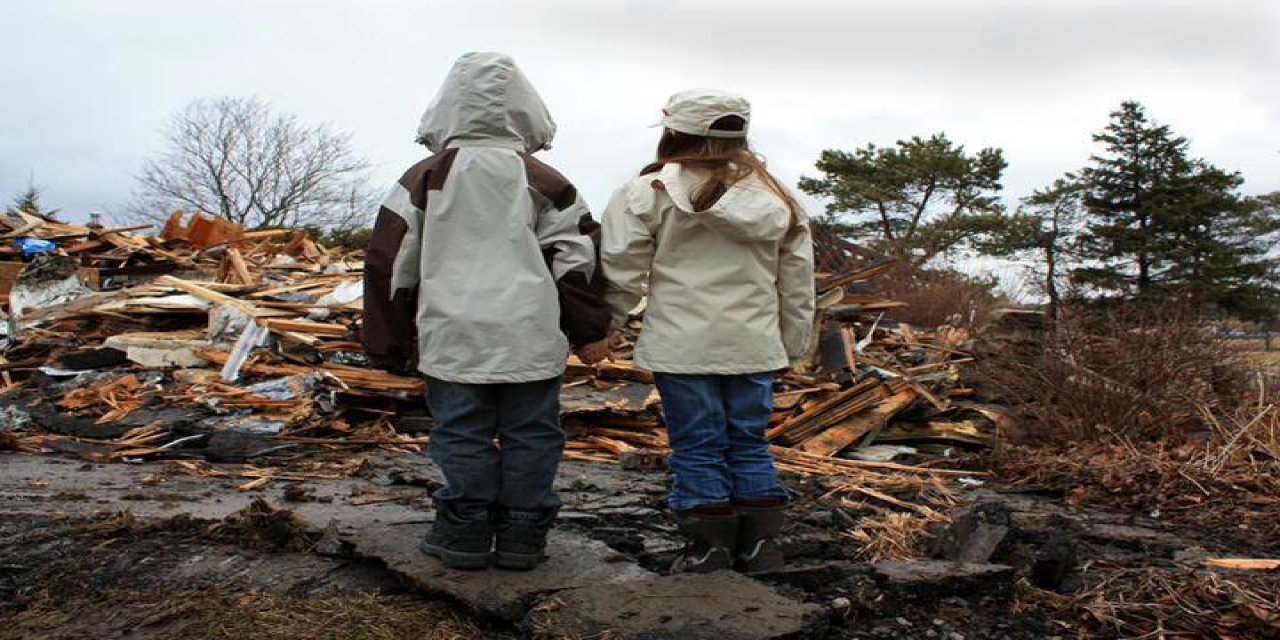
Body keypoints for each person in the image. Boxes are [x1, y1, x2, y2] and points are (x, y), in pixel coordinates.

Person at [363, 52, 611, 571]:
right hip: (529, 333)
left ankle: (464, 534)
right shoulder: (545, 180)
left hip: (452, 332)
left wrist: (388, 344)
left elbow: (390, 262)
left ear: (446, 108)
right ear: (527, 110)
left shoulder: (425, 177)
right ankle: (523, 535)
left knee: (460, 431)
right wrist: (590, 331)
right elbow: (578, 260)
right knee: (533, 432)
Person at [600, 89, 815, 573]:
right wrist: (793, 346)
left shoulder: (646, 192)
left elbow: (620, 270)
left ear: (676, 131)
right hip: (754, 346)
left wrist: (605, 327)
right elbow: (797, 283)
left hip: (682, 347)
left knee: (697, 447)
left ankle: (708, 550)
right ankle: (761, 549)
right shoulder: (776, 198)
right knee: (749, 442)